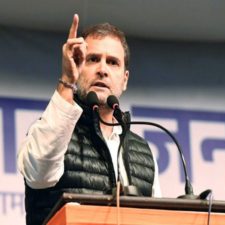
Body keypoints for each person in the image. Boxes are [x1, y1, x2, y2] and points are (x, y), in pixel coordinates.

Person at [17, 14, 161, 225]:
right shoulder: (52, 130)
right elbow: (38, 174)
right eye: (93, 59)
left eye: (112, 62)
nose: (102, 70)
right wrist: (67, 81)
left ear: (125, 79)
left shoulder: (144, 154)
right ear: (77, 65)